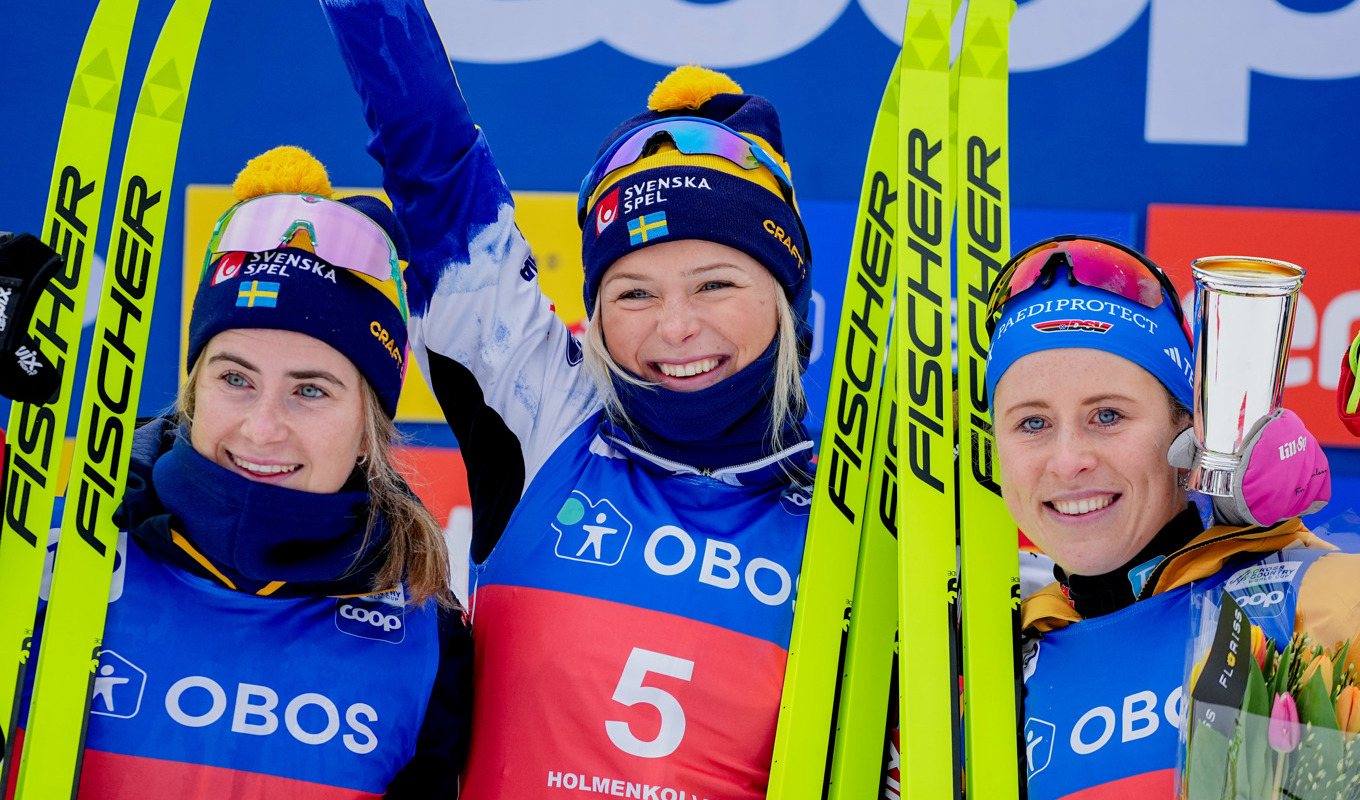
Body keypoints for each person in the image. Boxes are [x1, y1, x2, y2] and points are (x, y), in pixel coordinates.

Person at [319, 1, 816, 796]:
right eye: (634, 293)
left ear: (786, 298)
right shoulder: (550, 417)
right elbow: (435, 168)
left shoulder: (849, 520)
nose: (676, 328)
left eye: (715, 284)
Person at [8, 146, 470, 798]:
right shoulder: (50, 559)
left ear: (369, 432)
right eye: (235, 379)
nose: (261, 427)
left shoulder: (426, 640)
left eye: (310, 391)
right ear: (194, 389)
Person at [986, 234, 1351, 798]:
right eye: (1032, 423)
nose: (1069, 461)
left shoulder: (1311, 604)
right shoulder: (989, 659)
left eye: (1107, 415)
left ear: (1188, 430)